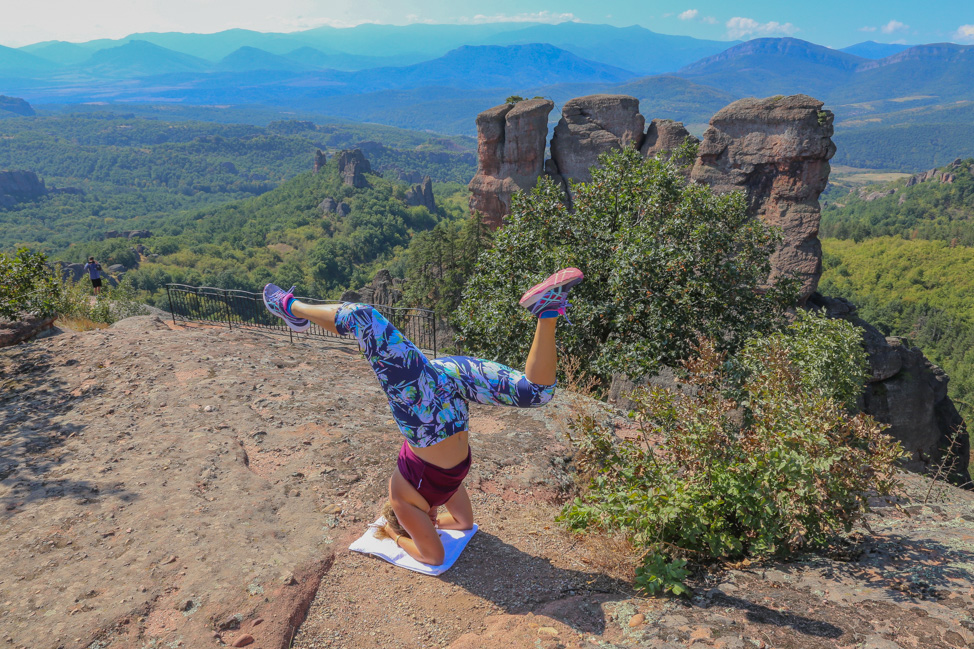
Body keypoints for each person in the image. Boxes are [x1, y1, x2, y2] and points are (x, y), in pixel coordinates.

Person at [261, 268, 583, 565]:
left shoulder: (403, 501)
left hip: (422, 409)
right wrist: (433, 516)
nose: (430, 524)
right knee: (537, 392)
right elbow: (464, 523)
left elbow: (434, 556)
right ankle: (548, 309)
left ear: (406, 520)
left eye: (422, 525)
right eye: (428, 525)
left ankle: (291, 307)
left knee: (363, 318)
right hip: (449, 385)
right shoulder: (443, 491)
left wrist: (398, 537)